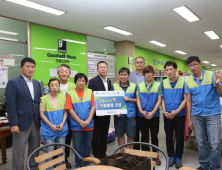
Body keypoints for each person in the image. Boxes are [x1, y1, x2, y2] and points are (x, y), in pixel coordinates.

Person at [185, 56, 222, 170]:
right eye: (190, 65)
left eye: (195, 64)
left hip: (213, 113)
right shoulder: (188, 80)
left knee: (215, 144)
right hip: (197, 115)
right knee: (201, 142)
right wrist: (189, 119)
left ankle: (215, 167)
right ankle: (204, 165)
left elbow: (221, 94)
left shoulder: (211, 75)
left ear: (200, 64)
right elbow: (189, 101)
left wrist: (217, 84)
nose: (193, 67)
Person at [6, 57, 42, 170]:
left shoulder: (37, 83)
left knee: (35, 147)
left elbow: (37, 102)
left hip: (35, 121)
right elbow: (10, 105)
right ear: (21, 68)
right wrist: (13, 123)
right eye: (28, 66)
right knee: (19, 149)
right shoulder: (13, 83)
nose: (31, 69)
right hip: (20, 122)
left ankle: (32, 167)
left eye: (32, 67)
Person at [66, 73, 95, 168]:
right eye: (79, 81)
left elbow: (93, 106)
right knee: (78, 147)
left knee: (87, 146)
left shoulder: (90, 91)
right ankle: (78, 165)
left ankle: (87, 164)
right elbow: (70, 109)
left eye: (83, 81)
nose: (81, 83)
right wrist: (80, 122)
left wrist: (88, 120)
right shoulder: (70, 93)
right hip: (76, 126)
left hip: (89, 125)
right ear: (75, 82)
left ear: (86, 82)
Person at [161, 61, 186, 169]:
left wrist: (176, 111)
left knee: (180, 136)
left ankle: (178, 157)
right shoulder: (163, 83)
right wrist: (164, 111)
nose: (169, 71)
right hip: (167, 114)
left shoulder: (183, 82)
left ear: (176, 70)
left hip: (179, 114)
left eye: (171, 69)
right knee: (168, 136)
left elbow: (186, 99)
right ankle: (171, 156)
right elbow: (161, 99)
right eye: (167, 70)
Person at [40, 78, 68, 170]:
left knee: (61, 151)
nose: (55, 87)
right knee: (50, 152)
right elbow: (41, 114)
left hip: (61, 128)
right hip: (48, 129)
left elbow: (65, 112)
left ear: (59, 86)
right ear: (49, 87)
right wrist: (51, 125)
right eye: (52, 85)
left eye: (57, 85)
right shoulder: (43, 99)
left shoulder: (63, 97)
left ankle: (61, 167)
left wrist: (62, 123)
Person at [137, 65, 162, 165]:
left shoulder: (158, 85)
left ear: (153, 74)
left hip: (154, 115)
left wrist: (152, 112)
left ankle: (155, 155)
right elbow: (138, 99)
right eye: (146, 73)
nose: (148, 74)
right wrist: (141, 111)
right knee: (144, 136)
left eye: (150, 72)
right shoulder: (140, 86)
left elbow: (159, 100)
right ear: (144, 74)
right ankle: (145, 154)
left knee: (154, 136)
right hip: (142, 115)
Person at [88, 61, 111, 159]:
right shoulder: (93, 81)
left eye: (105, 67)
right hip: (97, 113)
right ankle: (96, 154)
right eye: (101, 67)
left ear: (107, 69)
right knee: (96, 134)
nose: (103, 69)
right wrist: (97, 110)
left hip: (107, 113)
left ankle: (103, 152)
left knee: (104, 133)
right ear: (97, 70)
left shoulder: (109, 81)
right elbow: (91, 97)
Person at [112, 67, 137, 152]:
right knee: (120, 135)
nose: (123, 76)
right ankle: (122, 154)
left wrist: (129, 99)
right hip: (119, 116)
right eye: (121, 74)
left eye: (125, 74)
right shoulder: (114, 86)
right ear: (119, 75)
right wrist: (115, 112)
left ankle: (130, 154)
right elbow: (111, 100)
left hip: (131, 115)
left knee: (131, 135)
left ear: (128, 75)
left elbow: (138, 100)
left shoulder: (134, 86)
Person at [57, 64, 75, 169]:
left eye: (66, 72)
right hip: (56, 116)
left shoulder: (73, 86)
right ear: (58, 73)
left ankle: (65, 159)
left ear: (69, 74)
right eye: (62, 71)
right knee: (56, 139)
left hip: (70, 117)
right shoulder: (53, 84)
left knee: (67, 139)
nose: (64, 73)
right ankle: (55, 159)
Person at [129, 56, 145, 150]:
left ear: (144, 63)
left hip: (145, 106)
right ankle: (136, 152)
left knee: (144, 131)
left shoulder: (147, 74)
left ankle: (144, 152)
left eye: (141, 62)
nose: (139, 64)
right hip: (133, 106)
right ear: (135, 64)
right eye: (137, 62)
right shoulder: (130, 76)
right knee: (135, 131)